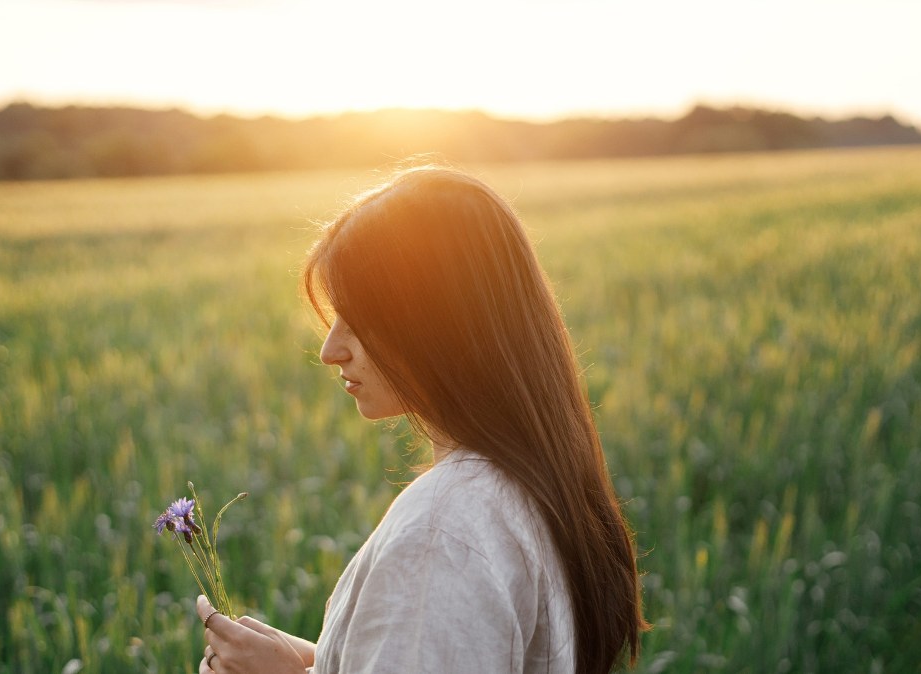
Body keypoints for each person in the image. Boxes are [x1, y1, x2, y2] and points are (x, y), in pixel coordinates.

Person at [196, 165, 646, 674]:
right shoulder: (532, 485)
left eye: (360, 320)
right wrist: (318, 663)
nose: (330, 349)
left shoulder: (440, 534)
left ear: (436, 324)